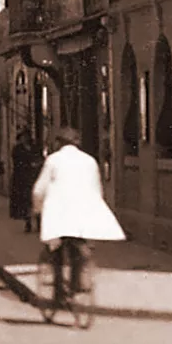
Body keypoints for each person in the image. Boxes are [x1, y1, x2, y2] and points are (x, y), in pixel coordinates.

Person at [31, 125, 125, 295]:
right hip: (83, 212)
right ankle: (77, 282)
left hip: (60, 213)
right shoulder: (90, 160)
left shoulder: (53, 160)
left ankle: (59, 290)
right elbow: (97, 190)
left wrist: (37, 209)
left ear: (59, 143)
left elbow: (39, 189)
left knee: (57, 247)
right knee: (77, 243)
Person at [9, 130, 43, 232]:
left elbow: (40, 158)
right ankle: (27, 223)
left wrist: (37, 164)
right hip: (22, 178)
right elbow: (16, 162)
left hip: (34, 177)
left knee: (35, 200)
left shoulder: (35, 148)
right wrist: (29, 164)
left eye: (26, 136)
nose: (25, 139)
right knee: (25, 201)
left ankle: (38, 223)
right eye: (23, 137)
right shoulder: (17, 149)